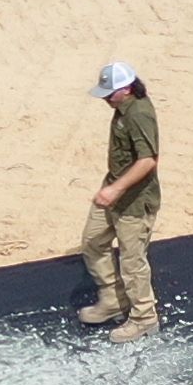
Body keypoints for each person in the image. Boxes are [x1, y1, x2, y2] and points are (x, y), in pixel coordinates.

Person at [77, 60, 163, 334]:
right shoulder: (123, 108)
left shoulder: (138, 115)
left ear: (126, 89)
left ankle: (143, 317)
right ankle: (113, 299)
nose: (105, 98)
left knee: (132, 261)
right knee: (93, 241)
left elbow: (148, 160)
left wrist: (115, 189)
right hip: (114, 188)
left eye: (109, 93)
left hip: (134, 201)